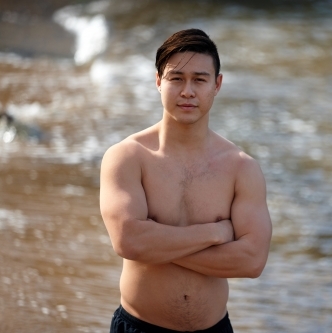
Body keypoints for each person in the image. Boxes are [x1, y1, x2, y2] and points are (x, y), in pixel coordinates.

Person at [100, 28, 272, 333]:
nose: (187, 91)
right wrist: (215, 232)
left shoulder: (240, 168)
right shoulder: (128, 157)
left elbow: (252, 261)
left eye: (200, 79)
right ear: (158, 81)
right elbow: (128, 241)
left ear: (217, 84)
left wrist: (157, 245)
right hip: (140, 327)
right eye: (176, 78)